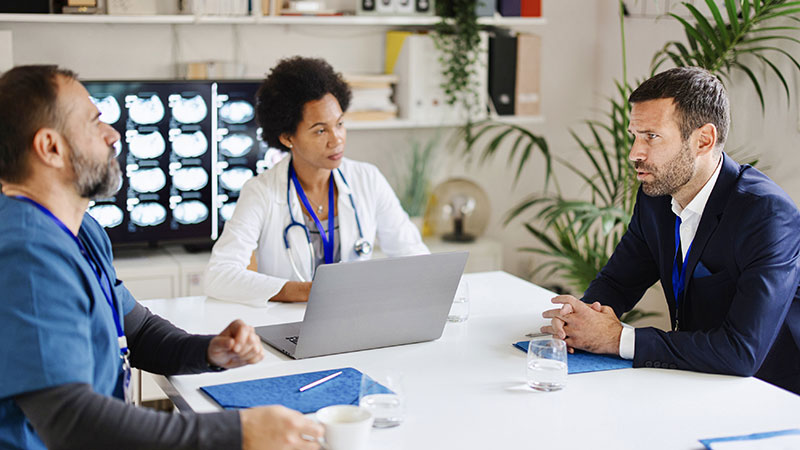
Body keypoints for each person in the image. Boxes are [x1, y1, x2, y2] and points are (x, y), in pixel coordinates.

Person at [0, 65, 324, 449]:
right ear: (50, 148)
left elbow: (137, 333)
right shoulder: (26, 253)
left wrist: (207, 350)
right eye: (94, 122)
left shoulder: (82, 232)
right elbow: (73, 423)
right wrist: (240, 433)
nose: (113, 134)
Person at [540, 67, 800, 395]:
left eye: (651, 136)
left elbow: (742, 351)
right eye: (634, 135)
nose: (635, 153)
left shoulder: (767, 214)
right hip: (699, 380)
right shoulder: (657, 197)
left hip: (772, 396)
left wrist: (618, 339)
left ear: (703, 139)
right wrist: (579, 321)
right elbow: (618, 282)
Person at [204, 57, 429, 305]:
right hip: (286, 325)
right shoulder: (262, 192)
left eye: (340, 124)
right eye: (321, 130)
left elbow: (414, 256)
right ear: (288, 137)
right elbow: (218, 275)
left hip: (354, 317)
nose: (337, 140)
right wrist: (305, 292)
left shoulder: (367, 179)